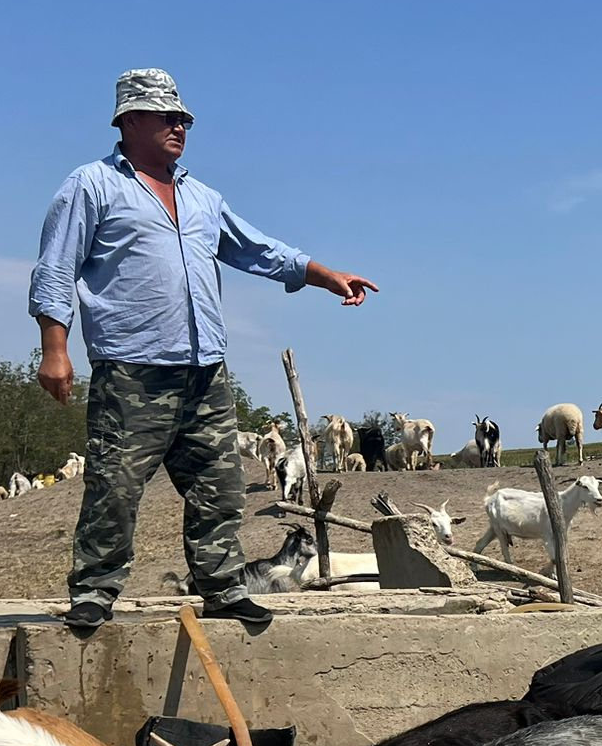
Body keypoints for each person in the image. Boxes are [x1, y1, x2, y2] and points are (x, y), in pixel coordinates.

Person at [28, 69, 377, 630]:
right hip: (132, 370)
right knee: (115, 487)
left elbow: (256, 248)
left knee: (221, 488)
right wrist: (55, 348)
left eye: (184, 119)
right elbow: (54, 267)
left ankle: (222, 587)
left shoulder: (201, 197)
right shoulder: (91, 186)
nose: (180, 127)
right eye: (167, 117)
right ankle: (94, 591)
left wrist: (325, 275)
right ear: (129, 120)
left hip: (204, 370)